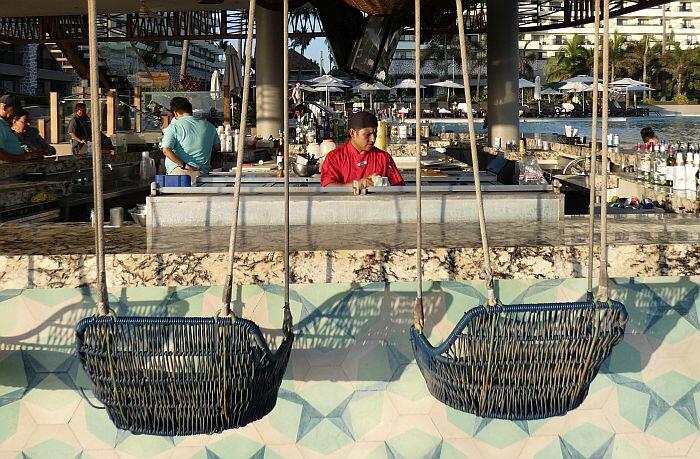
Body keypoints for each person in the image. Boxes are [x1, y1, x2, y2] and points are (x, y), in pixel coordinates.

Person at [321, 111, 404, 194]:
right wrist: (356, 185)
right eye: (368, 134)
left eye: (375, 134)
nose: (373, 139)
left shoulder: (383, 157)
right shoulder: (335, 157)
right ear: (352, 133)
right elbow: (327, 186)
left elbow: (399, 187)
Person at [161, 97, 219, 181]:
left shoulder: (174, 126)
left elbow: (166, 150)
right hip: (202, 175)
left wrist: (184, 165)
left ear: (175, 113)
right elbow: (216, 147)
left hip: (180, 174)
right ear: (190, 110)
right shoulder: (210, 126)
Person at [0, 95, 40, 162]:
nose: (17, 113)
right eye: (15, 110)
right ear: (4, 107)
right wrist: (23, 157)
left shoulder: (5, 124)